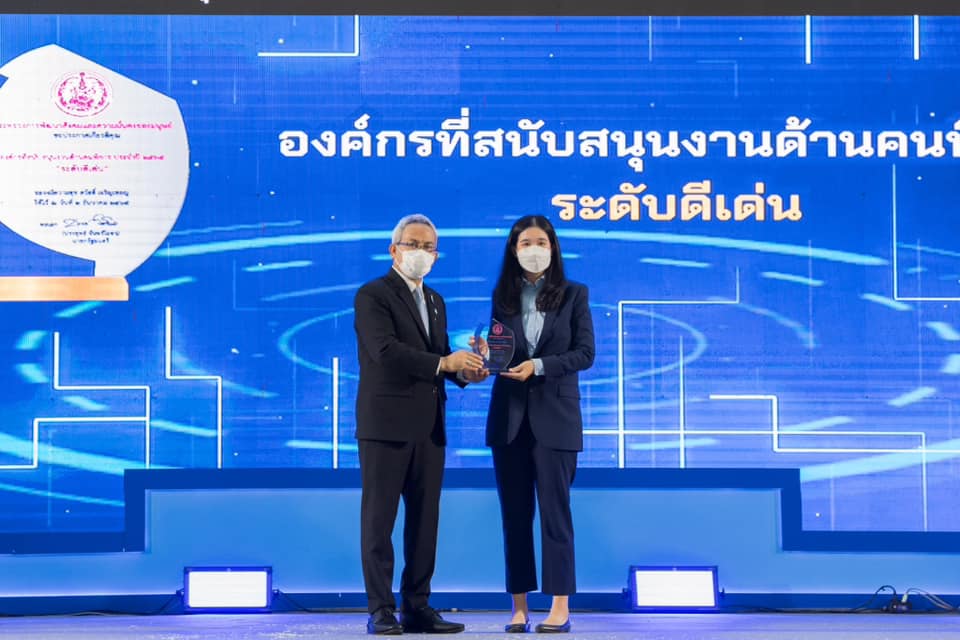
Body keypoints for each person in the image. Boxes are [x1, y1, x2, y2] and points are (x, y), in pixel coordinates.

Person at [354, 213, 487, 635]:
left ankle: (417, 606)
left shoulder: (435, 300)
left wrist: (467, 370)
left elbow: (439, 356)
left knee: (424, 523)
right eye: (413, 244)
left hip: (429, 427)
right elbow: (385, 352)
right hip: (385, 426)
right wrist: (444, 362)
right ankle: (380, 610)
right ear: (393, 249)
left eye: (429, 247)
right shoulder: (373, 295)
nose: (421, 253)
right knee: (379, 522)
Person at [484, 215, 595, 634]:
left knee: (555, 514)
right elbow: (502, 353)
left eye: (541, 242)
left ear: (553, 247)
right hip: (509, 419)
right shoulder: (503, 296)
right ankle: (519, 607)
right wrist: (487, 355)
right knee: (514, 516)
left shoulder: (574, 294)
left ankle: (560, 605)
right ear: (514, 250)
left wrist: (540, 365)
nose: (533, 249)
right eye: (525, 243)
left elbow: (585, 353)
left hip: (556, 420)